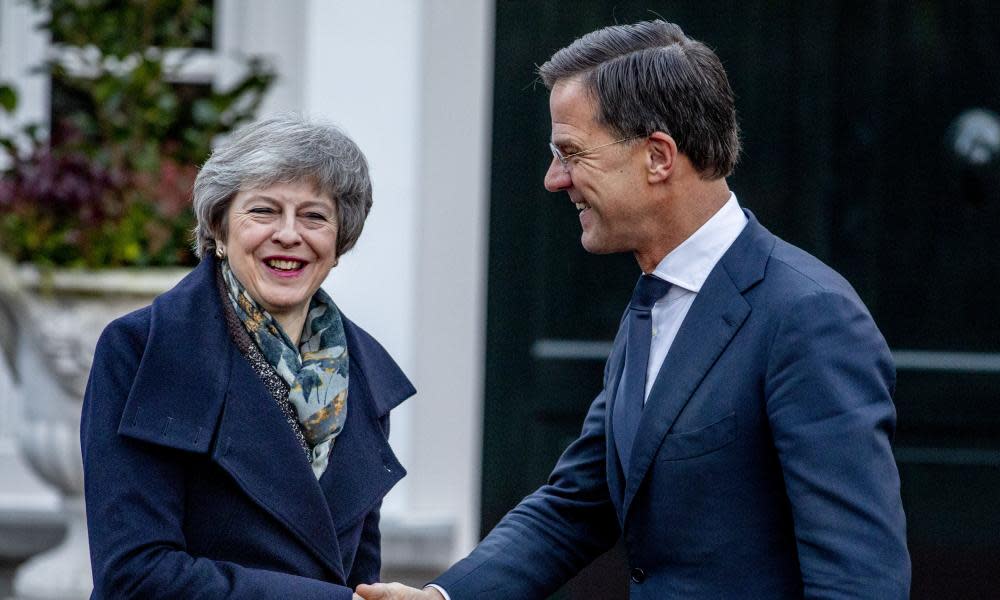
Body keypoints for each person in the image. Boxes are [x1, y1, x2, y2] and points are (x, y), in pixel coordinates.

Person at [357, 19, 910, 600]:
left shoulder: (808, 317)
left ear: (658, 156)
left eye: (571, 153)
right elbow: (577, 502)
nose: (554, 179)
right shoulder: (654, 299)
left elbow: (860, 581)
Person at [81, 115, 414, 599]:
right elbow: (134, 575)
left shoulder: (363, 375)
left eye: (314, 217)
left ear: (339, 244)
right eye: (263, 211)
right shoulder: (141, 350)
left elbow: (361, 580)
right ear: (218, 227)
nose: (288, 234)